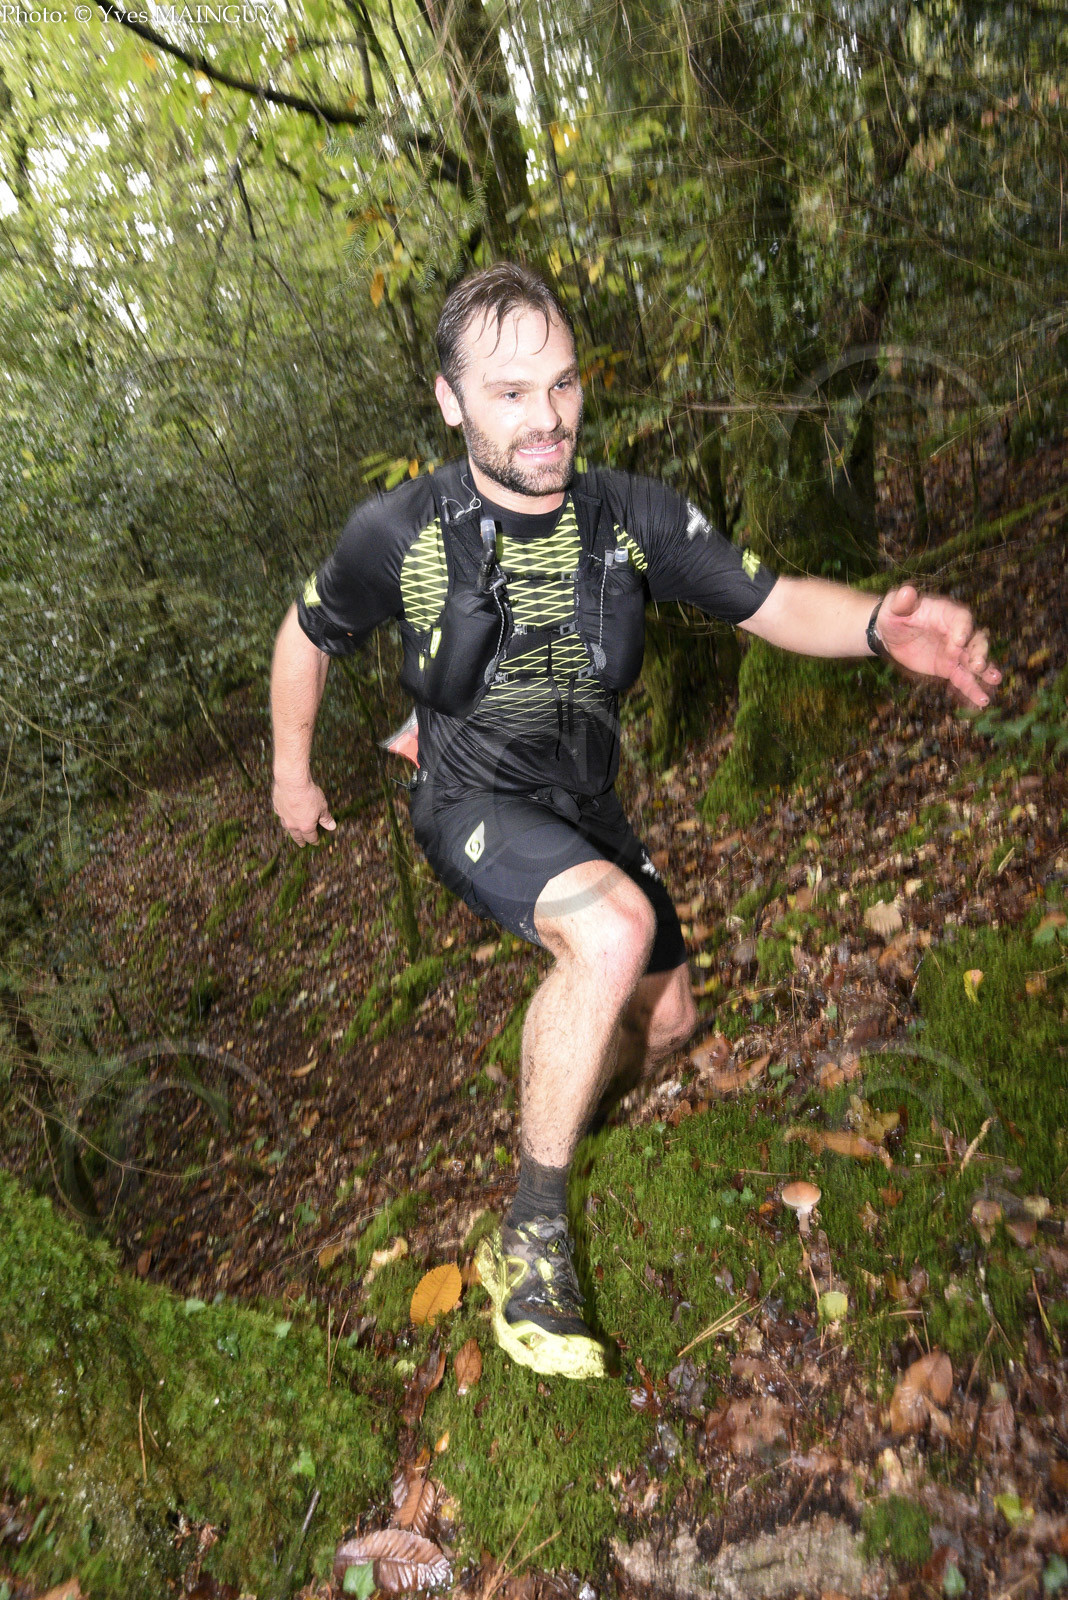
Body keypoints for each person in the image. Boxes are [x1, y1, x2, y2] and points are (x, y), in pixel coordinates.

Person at [270, 263, 1000, 1381]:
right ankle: (532, 1236)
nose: (549, 417)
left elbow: (773, 600)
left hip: (587, 805)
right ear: (450, 401)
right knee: (611, 932)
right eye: (512, 393)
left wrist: (877, 629)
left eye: (563, 384)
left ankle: (558, 1110)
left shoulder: (629, 514)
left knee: (667, 1020)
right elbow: (308, 632)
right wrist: (291, 773)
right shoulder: (403, 532)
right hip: (469, 797)